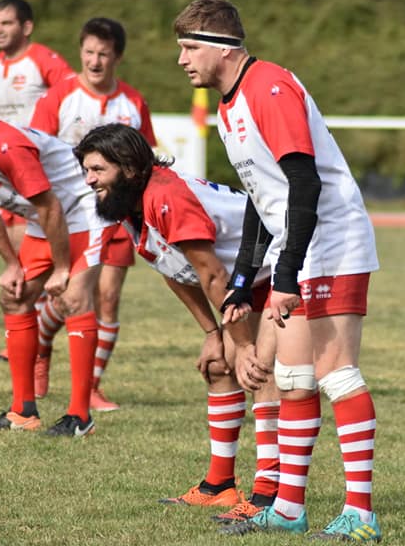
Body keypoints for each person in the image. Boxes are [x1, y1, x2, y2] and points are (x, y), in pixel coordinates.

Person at [174, 0, 382, 541]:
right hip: (300, 245)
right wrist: (245, 281)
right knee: (291, 381)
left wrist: (285, 276)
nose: (182, 60)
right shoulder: (228, 106)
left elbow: (304, 184)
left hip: (332, 242)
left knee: (337, 373)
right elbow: (260, 199)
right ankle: (289, 507)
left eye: (190, 47)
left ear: (223, 48)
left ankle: (361, 515)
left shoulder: (268, 87)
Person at [74, 123, 281, 524]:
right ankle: (220, 486)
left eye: (97, 169)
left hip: (277, 269)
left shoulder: (165, 196)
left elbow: (212, 274)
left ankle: (268, 493)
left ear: (129, 168)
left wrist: (242, 345)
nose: (89, 180)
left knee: (258, 371)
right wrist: (212, 334)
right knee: (218, 366)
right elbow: (174, 269)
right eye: (86, 170)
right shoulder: (130, 203)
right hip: (244, 280)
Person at [0, 81, 117, 437]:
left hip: (85, 211)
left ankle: (81, 416)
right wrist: (11, 264)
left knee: (73, 298)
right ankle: (23, 412)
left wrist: (62, 268)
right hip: (46, 220)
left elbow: (51, 205)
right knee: (14, 297)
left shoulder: (5, 144)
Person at [29, 17, 156, 412]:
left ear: (117, 56)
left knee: (108, 297)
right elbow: (35, 151)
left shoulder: (133, 102)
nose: (95, 61)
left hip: (117, 214)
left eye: (103, 53)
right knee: (70, 296)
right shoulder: (60, 97)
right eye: (88, 52)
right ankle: (42, 346)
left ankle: (92, 388)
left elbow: (147, 157)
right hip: (72, 216)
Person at [0, 0, 73, 360]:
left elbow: (72, 94)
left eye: (6, 23)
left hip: (33, 172)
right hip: (2, 172)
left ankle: (26, 342)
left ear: (27, 27)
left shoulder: (44, 60)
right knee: (20, 263)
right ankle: (26, 338)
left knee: (28, 262)